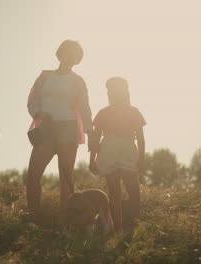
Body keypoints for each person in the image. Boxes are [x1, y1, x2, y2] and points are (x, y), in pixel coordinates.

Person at [26, 40, 93, 223]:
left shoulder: (78, 81)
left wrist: (90, 130)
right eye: (67, 52)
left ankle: (66, 218)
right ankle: (33, 216)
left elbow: (84, 107)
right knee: (33, 173)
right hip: (45, 128)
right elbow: (32, 99)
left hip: (68, 128)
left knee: (66, 175)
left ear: (77, 59)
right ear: (60, 53)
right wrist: (37, 113)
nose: (69, 56)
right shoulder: (45, 76)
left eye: (74, 54)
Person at [89, 77, 146, 233]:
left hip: (128, 149)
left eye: (116, 88)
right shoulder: (103, 113)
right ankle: (118, 228)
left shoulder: (134, 112)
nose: (112, 92)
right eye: (110, 89)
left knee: (133, 188)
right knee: (114, 191)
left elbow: (141, 138)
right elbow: (95, 138)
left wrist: (142, 158)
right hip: (108, 150)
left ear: (124, 90)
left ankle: (135, 224)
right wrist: (92, 159)